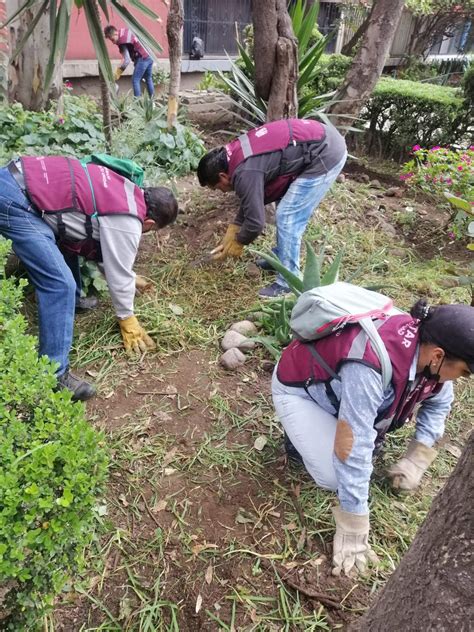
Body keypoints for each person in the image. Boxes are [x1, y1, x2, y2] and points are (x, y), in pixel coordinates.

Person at [272, 299, 473, 576]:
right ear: (438, 356)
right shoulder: (370, 364)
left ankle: (325, 424)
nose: (459, 379)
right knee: (332, 476)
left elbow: (439, 403)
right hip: (299, 388)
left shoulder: (429, 356)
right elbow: (351, 445)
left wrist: (417, 458)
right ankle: (297, 437)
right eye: (463, 371)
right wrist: (354, 524)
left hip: (342, 392)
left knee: (360, 434)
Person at [0, 156, 178, 401]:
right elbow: (117, 267)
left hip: (18, 178)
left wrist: (128, 276)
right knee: (59, 284)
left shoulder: (126, 189)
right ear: (149, 222)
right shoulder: (128, 220)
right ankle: (53, 375)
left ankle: (71, 303)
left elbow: (97, 242)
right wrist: (127, 318)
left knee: (68, 239)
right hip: (16, 201)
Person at [197, 118, 347, 298]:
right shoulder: (234, 154)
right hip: (318, 141)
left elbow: (255, 223)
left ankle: (288, 283)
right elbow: (253, 198)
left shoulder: (244, 172)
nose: (221, 192)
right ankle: (279, 258)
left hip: (324, 153)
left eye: (217, 187)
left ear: (222, 176)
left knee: (287, 216)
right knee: (284, 209)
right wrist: (235, 227)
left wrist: (238, 242)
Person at [104, 25, 154, 98]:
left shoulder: (121, 42)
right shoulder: (123, 32)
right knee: (148, 78)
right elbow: (125, 58)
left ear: (115, 33)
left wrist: (118, 73)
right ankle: (152, 103)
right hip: (150, 55)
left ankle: (137, 103)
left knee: (135, 80)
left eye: (112, 39)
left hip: (142, 57)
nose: (113, 43)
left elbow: (126, 60)